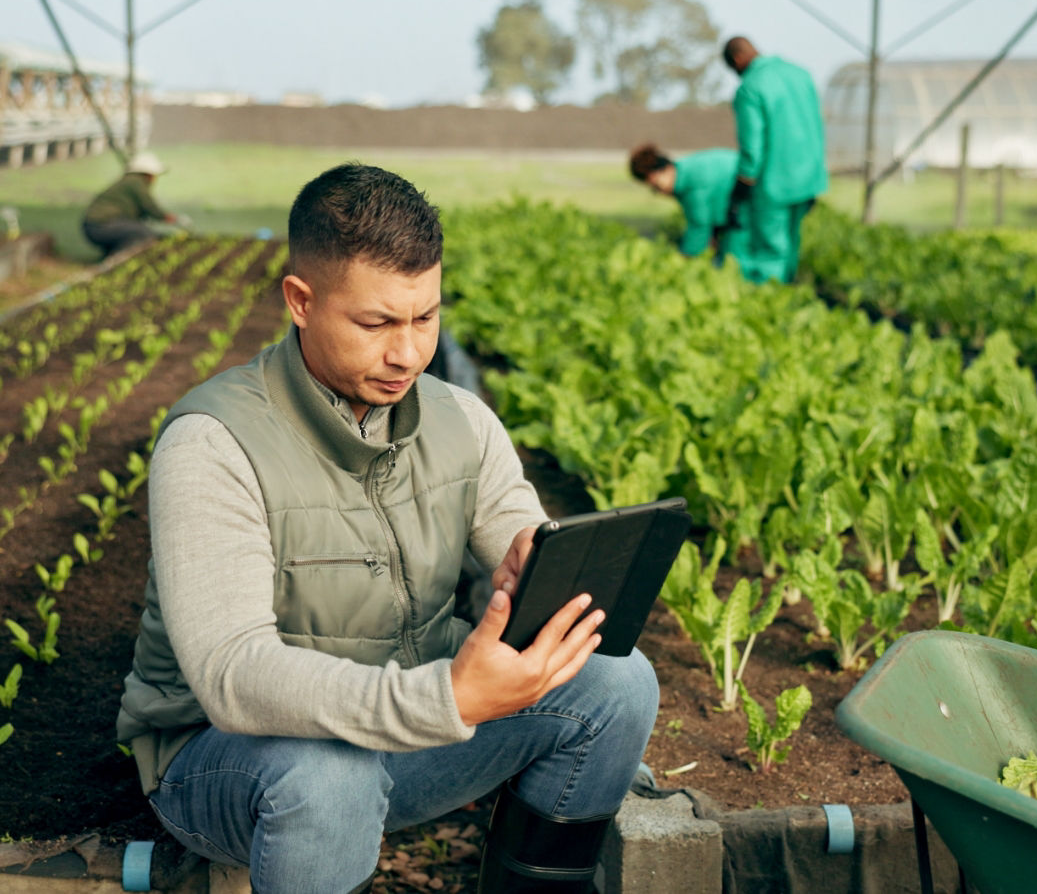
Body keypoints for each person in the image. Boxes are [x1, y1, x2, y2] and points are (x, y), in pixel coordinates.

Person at [116, 162, 659, 894]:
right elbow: (233, 678)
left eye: (426, 317)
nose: (407, 352)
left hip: (409, 732)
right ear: (301, 301)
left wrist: (536, 570)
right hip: (232, 764)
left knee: (616, 683)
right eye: (375, 323)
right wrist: (448, 699)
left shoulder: (460, 419)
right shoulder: (214, 442)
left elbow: (519, 530)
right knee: (329, 773)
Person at [722, 36, 828, 284]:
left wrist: (742, 185)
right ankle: (787, 299)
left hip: (774, 182)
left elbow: (752, 147)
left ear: (737, 60)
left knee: (770, 250)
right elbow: (816, 127)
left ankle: (768, 308)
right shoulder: (801, 75)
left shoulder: (750, 87)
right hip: (807, 179)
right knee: (791, 244)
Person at [628, 143, 751, 272]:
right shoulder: (685, 171)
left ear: (658, 173)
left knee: (734, 261)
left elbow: (699, 226)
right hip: (740, 206)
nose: (660, 193)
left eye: (656, 187)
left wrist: (682, 260)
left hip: (749, 204)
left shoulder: (691, 183)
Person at [81, 151, 179, 258]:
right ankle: (117, 261)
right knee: (142, 233)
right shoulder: (136, 182)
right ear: (148, 174)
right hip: (101, 226)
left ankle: (110, 259)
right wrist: (166, 216)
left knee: (135, 231)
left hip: (96, 226)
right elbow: (148, 205)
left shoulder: (128, 181)